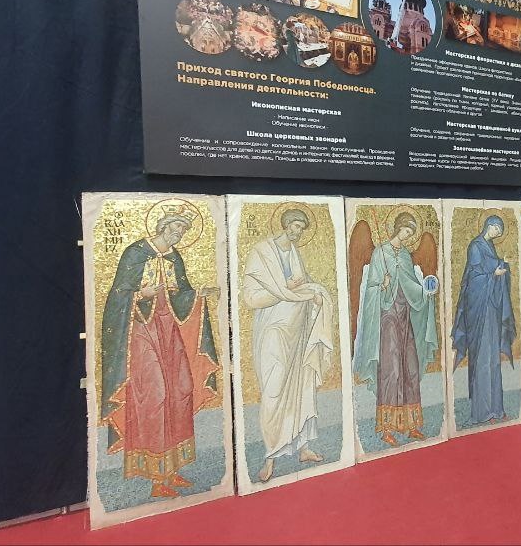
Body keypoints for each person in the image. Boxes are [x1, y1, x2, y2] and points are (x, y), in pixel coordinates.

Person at [99, 206, 220, 499]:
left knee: (180, 389)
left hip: (169, 330)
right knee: (155, 395)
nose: (179, 234)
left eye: (183, 231)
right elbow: (116, 297)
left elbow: (182, 295)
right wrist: (140, 294)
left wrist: (199, 294)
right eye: (175, 228)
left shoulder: (175, 258)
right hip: (142, 332)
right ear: (163, 226)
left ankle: (172, 468)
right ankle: (155, 476)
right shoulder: (135, 253)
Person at [240, 208, 333, 482]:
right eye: (294, 226)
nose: (297, 232)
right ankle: (270, 457)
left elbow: (303, 286)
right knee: (274, 389)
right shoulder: (261, 253)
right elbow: (251, 298)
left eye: (301, 228)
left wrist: (313, 295)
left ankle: (303, 447)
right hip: (273, 331)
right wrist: (287, 290)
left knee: (301, 386)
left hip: (298, 330)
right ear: (284, 224)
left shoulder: (294, 253)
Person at [352, 213, 438, 447]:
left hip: (405, 316)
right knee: (391, 369)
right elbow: (370, 288)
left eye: (411, 234)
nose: (407, 237)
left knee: (410, 367)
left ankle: (412, 425)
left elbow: (413, 286)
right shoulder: (380, 253)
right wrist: (382, 285)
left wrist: (426, 292)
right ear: (398, 228)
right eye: (406, 231)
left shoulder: (406, 256)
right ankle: (387, 428)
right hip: (388, 316)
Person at [452, 215, 515, 425]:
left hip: (491, 310)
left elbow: (493, 270)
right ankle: (482, 412)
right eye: (497, 229)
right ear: (489, 226)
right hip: (479, 311)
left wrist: (500, 271)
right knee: (482, 361)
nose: (498, 234)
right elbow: (474, 279)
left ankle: (496, 409)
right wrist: (494, 274)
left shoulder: (489, 247)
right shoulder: (476, 246)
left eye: (500, 232)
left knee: (494, 360)